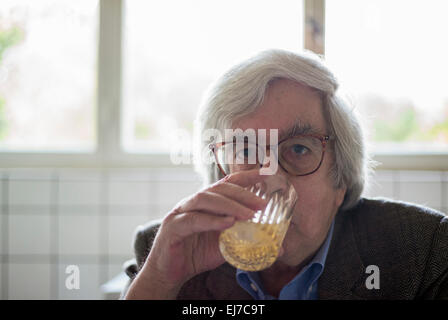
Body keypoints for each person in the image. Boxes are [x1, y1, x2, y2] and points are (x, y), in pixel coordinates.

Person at [121, 49, 448, 300]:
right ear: (221, 172)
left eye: (299, 149)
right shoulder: (168, 252)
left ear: (341, 177)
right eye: (247, 152)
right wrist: (160, 281)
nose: (271, 179)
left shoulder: (421, 250)